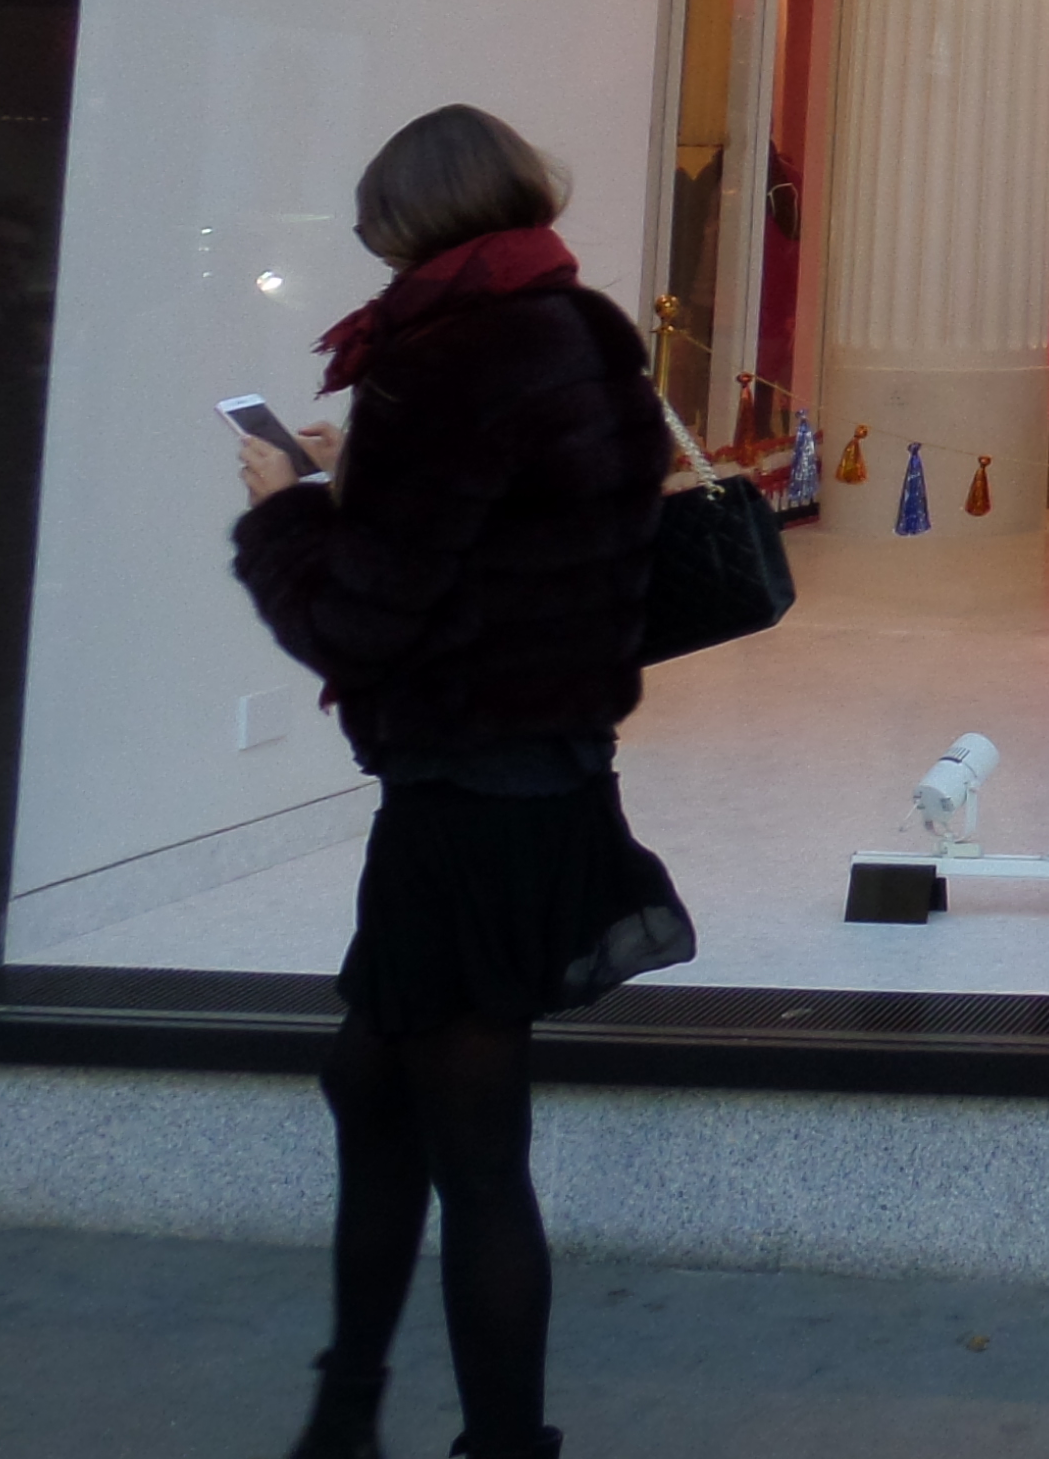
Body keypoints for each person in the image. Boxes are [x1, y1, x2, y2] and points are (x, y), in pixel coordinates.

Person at [231, 106, 692, 1459]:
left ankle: (481, 1441)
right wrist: (361, 475)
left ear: (411, 218)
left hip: (460, 803)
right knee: (374, 1089)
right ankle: (345, 1411)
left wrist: (282, 512)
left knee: (474, 1157)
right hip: (554, 782)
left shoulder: (437, 360)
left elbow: (357, 622)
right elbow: (534, 522)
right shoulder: (586, 329)